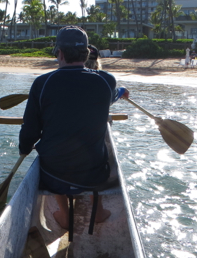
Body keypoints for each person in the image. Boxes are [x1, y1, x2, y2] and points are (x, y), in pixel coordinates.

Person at [18, 26, 129, 230]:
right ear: (86, 53)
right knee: (100, 154)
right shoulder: (106, 81)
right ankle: (99, 211)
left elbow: (30, 129)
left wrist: (24, 148)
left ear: (59, 53)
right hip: (94, 174)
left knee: (53, 157)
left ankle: (66, 215)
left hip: (55, 175)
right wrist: (121, 91)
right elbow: (111, 96)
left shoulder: (42, 83)